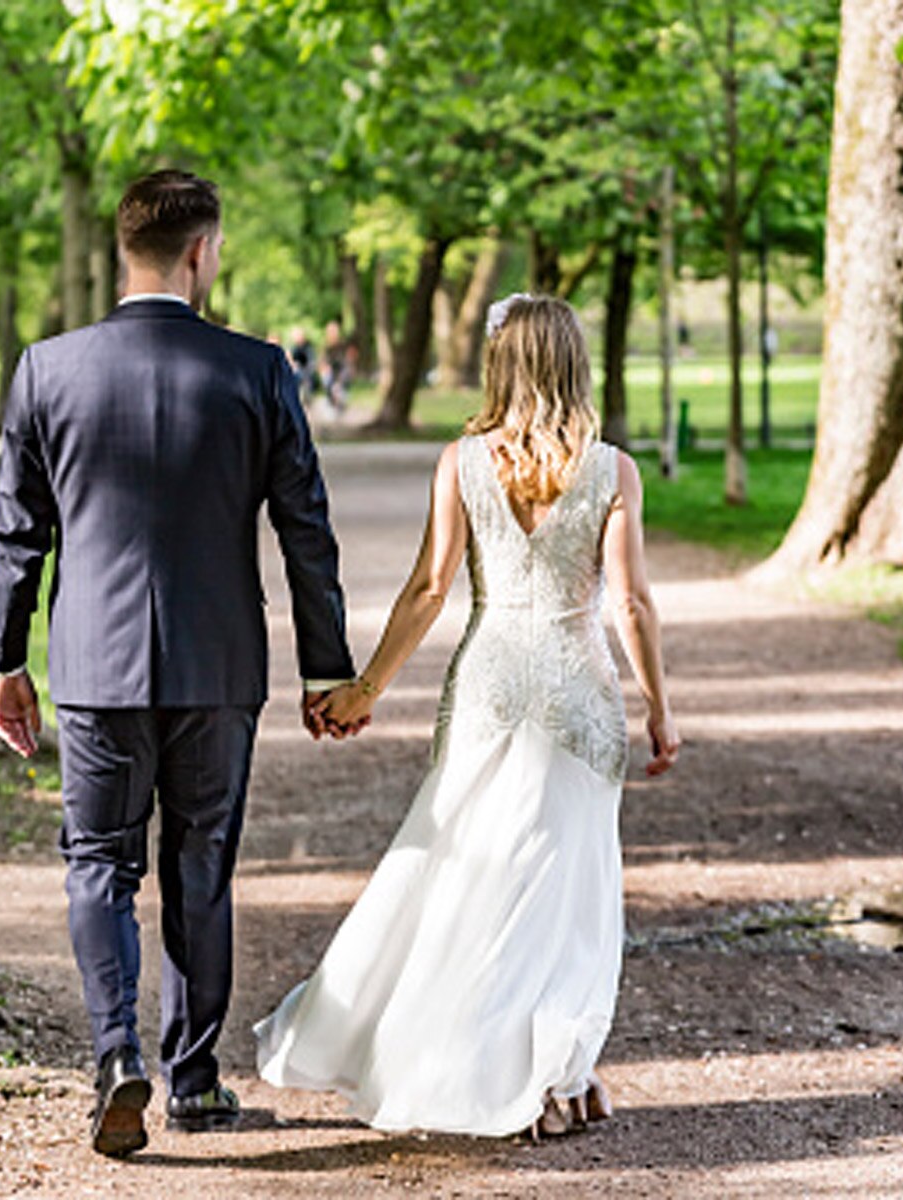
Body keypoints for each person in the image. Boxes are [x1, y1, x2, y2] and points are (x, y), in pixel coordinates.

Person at [0, 169, 356, 1158]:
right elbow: (303, 528)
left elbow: (18, 534)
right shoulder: (259, 370)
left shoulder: (46, 370)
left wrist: (2, 659)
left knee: (98, 863)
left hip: (96, 666)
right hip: (218, 665)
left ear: (125, 250)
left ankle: (116, 1057)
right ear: (202, 252)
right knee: (203, 866)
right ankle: (193, 1078)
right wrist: (328, 670)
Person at [255, 294, 680, 1139]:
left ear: (500, 364)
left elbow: (427, 588)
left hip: (487, 686)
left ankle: (525, 1072)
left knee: (470, 871)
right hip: (578, 694)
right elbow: (629, 602)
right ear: (574, 363)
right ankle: (550, 1078)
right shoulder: (612, 470)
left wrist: (365, 687)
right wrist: (660, 709)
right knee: (563, 892)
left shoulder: (462, 462)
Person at [320, 319, 349, 412]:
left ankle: (339, 399)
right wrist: (325, 367)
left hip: (341, 370)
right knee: (327, 378)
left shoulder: (343, 345)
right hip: (331, 372)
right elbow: (322, 361)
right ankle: (331, 400)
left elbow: (346, 362)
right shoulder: (326, 347)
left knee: (339, 383)